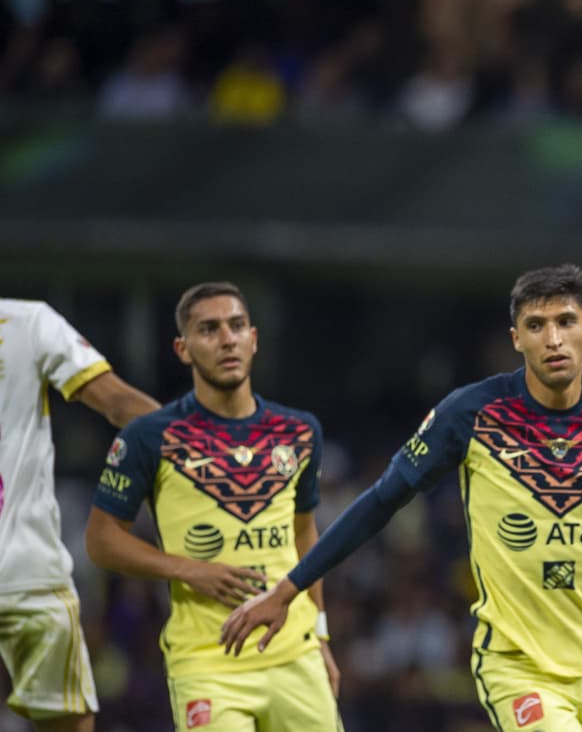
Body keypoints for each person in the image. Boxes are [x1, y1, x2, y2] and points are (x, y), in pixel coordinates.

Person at [219, 265, 582, 731]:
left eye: (566, 322)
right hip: (519, 668)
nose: (553, 339)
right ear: (516, 337)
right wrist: (287, 590)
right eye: (537, 326)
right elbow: (381, 501)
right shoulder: (472, 414)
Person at [84, 282, 341, 731]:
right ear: (183, 349)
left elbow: (304, 534)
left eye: (236, 326)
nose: (226, 339)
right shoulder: (150, 436)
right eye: (208, 329)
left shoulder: (300, 431)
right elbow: (101, 540)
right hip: (207, 663)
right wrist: (188, 569)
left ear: (254, 339)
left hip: (294, 656)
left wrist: (320, 634)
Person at [0, 298, 160, 732]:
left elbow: (120, 405)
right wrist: (211, 453)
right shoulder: (27, 322)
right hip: (24, 576)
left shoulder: (30, 322)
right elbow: (119, 404)